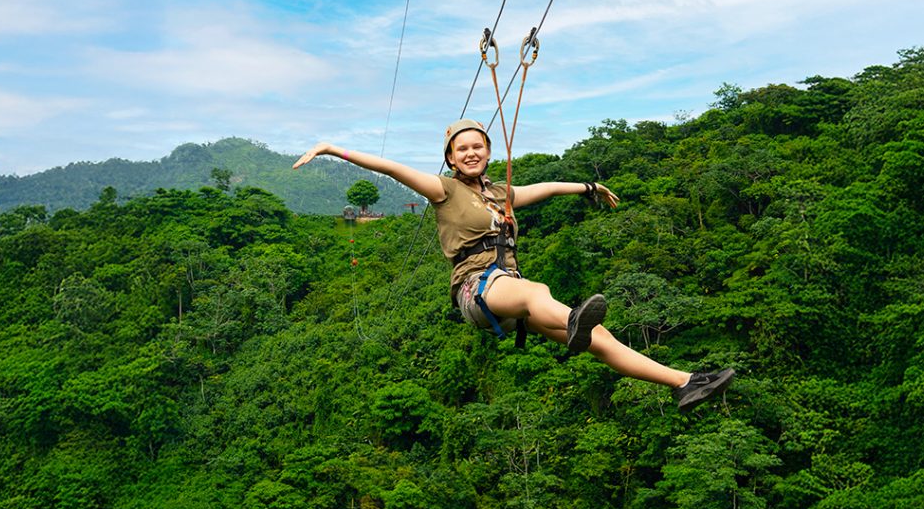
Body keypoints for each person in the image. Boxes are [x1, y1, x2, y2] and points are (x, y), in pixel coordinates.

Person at [293, 119, 733, 411]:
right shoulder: (442, 190)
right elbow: (391, 169)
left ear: (487, 152)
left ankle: (683, 382)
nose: (470, 153)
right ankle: (572, 318)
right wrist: (334, 150)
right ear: (449, 158)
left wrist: (588, 187)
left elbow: (546, 186)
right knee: (535, 292)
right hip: (475, 289)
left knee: (598, 337)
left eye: (477, 146)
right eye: (461, 148)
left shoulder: (502, 194)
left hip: (507, 287)